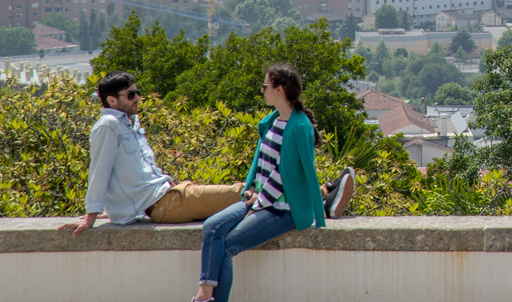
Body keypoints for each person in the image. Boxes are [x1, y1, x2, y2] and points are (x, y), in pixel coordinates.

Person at [63, 70, 355, 235]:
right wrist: (91, 214)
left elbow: (128, 175)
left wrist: (111, 209)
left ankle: (323, 194)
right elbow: (99, 170)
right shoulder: (107, 127)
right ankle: (323, 197)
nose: (138, 98)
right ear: (111, 100)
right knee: (246, 192)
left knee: (252, 192)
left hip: (169, 193)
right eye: (131, 95)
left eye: (138, 92)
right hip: (164, 204)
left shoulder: (130, 123)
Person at [174, 63, 330, 302]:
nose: (262, 90)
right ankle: (206, 299)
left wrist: (258, 202)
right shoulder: (273, 121)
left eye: (265, 85)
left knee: (229, 244)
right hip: (258, 198)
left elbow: (288, 174)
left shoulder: (299, 126)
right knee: (212, 227)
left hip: (283, 208)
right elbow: (261, 163)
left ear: (279, 89)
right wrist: (249, 190)